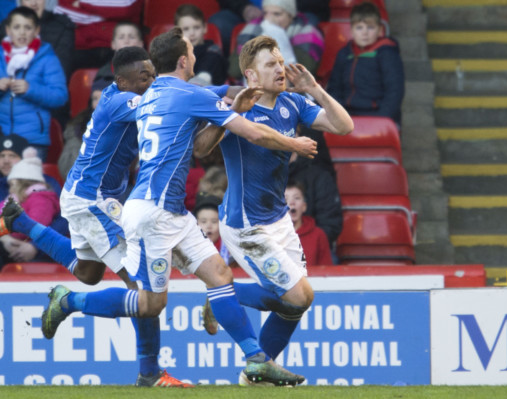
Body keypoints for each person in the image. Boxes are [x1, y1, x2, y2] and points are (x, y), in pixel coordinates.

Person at [40, 27, 317, 386]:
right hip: (152, 213)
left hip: (171, 210)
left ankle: (256, 359)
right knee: (150, 303)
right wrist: (293, 143)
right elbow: (253, 132)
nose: (197, 56)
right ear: (185, 60)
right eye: (192, 51)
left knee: (220, 274)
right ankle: (69, 303)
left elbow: (206, 122)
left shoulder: (154, 93)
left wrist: (239, 98)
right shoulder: (184, 94)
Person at [0, 46, 196, 387]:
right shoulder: (121, 101)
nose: (152, 83)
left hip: (85, 195)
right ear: (122, 81)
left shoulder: (120, 95)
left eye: (153, 75)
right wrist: (218, 99)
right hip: (94, 200)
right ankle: (149, 371)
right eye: (145, 77)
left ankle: (25, 225)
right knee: (141, 288)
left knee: (89, 273)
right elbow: (164, 105)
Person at [197, 35, 353, 384]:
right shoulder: (238, 107)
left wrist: (316, 90)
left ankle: (256, 373)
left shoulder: (293, 103)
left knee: (295, 304)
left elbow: (344, 126)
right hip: (246, 224)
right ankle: (223, 295)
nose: (280, 69)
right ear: (251, 76)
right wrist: (291, 141)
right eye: (271, 64)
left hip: (278, 218)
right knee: (299, 294)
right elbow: (206, 146)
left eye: (281, 62)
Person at [0, 6, 68, 160]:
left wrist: (30, 89)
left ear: (37, 30)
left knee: (29, 183)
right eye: (17, 27)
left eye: (28, 27)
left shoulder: (47, 57)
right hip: (2, 137)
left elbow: (60, 96)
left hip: (33, 140)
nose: (22, 32)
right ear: (8, 30)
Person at [326, 1, 405, 126]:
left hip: (378, 115)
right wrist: (339, 114)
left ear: (380, 30)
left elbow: (394, 92)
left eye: (370, 27)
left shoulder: (387, 53)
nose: (365, 33)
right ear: (351, 30)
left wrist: (383, 118)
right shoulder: (344, 54)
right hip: (347, 114)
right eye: (359, 27)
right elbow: (334, 88)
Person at [228, 0, 324, 80]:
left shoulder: (308, 33)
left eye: (277, 14)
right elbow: (235, 70)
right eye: (265, 13)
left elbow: (303, 71)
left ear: (291, 15)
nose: (269, 19)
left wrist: (278, 37)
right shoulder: (251, 30)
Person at [0, 147, 60, 265]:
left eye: (12, 184)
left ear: (22, 184)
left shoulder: (41, 199)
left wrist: (6, 235)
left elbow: (32, 227)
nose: (10, 188)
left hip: (31, 249)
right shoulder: (18, 198)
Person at [54, 0, 143, 70]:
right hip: (82, 48)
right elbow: (61, 12)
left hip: (119, 47)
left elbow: (125, 6)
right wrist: (105, 15)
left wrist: (83, 2)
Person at [57, 77, 110, 179]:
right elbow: (67, 166)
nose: (99, 103)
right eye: (95, 99)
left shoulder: (129, 125)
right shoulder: (78, 127)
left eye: (104, 98)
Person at [19, 0, 76, 80]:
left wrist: (29, 86)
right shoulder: (6, 28)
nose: (33, 3)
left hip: (47, 88)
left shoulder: (62, 27)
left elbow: (61, 73)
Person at [175, 4, 228, 86]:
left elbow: (200, 83)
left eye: (196, 27)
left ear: (205, 28)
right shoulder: (173, 54)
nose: (192, 33)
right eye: (186, 29)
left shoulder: (213, 52)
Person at [0, 133, 60, 201]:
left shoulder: (47, 182)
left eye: (12, 156)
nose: (6, 161)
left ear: (24, 159)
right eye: (2, 156)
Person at [285, 180, 332, 265]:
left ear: (304, 206)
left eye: (297, 198)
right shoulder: (270, 236)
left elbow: (327, 273)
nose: (292, 203)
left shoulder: (318, 235)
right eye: (285, 199)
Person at [93, 22, 145, 86]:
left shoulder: (152, 72)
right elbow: (98, 93)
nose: (126, 41)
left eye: (132, 37)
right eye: (121, 37)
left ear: (141, 44)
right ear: (113, 44)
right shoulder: (104, 73)